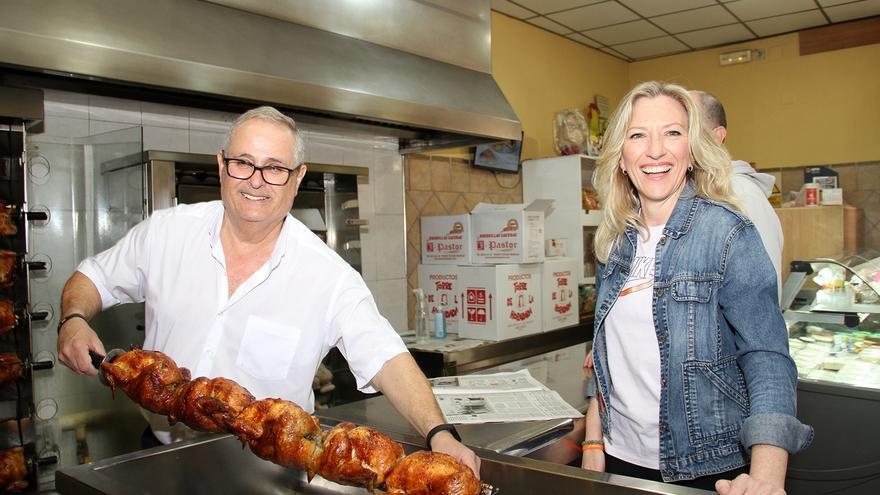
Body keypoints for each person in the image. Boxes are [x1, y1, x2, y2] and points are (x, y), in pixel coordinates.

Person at [56, 106, 480, 475]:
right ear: (222, 165)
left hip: (264, 475)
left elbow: (387, 358)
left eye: (275, 168)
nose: (256, 181)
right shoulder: (167, 233)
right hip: (160, 460)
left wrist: (440, 433)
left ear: (297, 179)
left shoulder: (327, 275)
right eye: (244, 162)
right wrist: (73, 319)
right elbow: (92, 277)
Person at [580, 81, 812, 494]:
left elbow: (767, 356)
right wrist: (593, 438)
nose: (655, 151)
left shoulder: (727, 233)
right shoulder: (613, 241)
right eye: (638, 135)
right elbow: (603, 356)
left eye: (672, 132)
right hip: (619, 458)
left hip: (707, 464)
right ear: (621, 157)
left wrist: (767, 475)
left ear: (693, 150)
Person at [690, 90, 784, 301]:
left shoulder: (741, 194)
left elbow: (762, 296)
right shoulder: (691, 192)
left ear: (717, 137)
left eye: (684, 128)